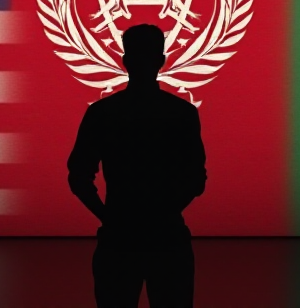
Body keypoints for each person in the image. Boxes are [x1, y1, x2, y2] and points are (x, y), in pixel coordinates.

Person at [67, 23, 207, 308]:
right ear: (162, 60)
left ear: (125, 60)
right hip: (167, 238)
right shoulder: (182, 113)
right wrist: (167, 212)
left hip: (119, 238)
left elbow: (79, 176)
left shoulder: (102, 113)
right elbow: (196, 179)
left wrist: (109, 217)